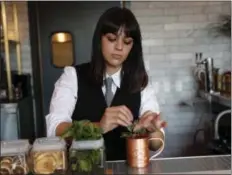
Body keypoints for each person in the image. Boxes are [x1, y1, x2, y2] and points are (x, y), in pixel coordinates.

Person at [46, 6, 167, 161]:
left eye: (127, 42)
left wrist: (152, 130)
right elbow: (54, 129)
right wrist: (98, 127)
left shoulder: (141, 81)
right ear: (99, 39)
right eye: (111, 39)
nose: (119, 47)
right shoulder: (72, 76)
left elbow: (156, 144)